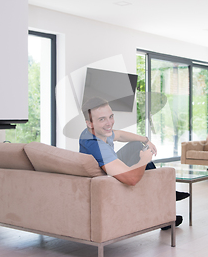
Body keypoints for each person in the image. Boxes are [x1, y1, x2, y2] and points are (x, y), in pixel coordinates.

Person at [79, 97, 188, 228]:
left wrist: (145, 140)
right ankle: (164, 208)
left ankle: (166, 194)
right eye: (102, 119)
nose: (109, 123)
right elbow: (131, 179)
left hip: (108, 168)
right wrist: (144, 160)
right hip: (108, 182)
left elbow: (119, 135)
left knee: (135, 146)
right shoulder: (97, 147)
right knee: (145, 171)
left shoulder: (95, 132)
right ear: (90, 123)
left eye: (111, 116)